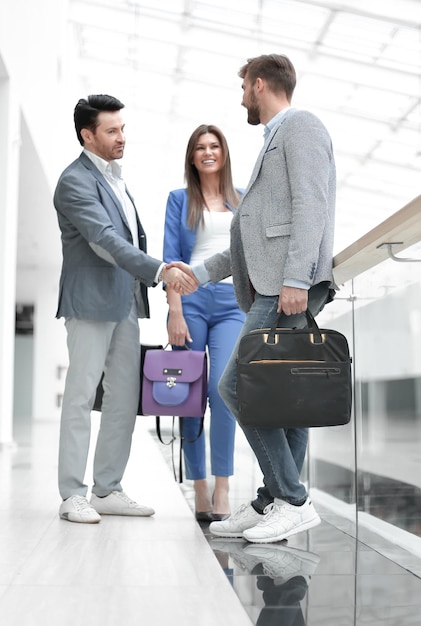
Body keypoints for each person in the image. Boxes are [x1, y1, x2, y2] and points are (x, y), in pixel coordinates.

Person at [171, 53, 336, 543]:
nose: (241, 95)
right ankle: (271, 501)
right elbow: (250, 240)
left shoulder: (300, 125)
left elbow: (312, 204)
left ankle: (294, 500)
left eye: (244, 87)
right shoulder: (271, 141)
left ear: (260, 84)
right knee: (283, 399)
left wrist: (298, 280)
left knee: (236, 387)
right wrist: (198, 275)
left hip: (286, 288)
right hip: (274, 283)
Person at [54, 94, 197, 524]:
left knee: (122, 399)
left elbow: (130, 237)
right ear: (88, 135)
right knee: (81, 397)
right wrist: (161, 271)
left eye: (123, 129)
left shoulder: (116, 177)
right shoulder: (74, 181)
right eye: (112, 131)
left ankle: (108, 489)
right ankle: (71, 494)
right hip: (89, 303)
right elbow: (104, 240)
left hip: (125, 304)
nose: (121, 138)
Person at [163, 124, 246, 521]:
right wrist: (174, 310)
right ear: (192, 157)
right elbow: (170, 258)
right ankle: (198, 486)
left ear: (224, 153)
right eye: (200, 147)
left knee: (222, 389)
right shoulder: (179, 200)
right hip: (191, 301)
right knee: (190, 394)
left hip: (232, 302)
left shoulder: (243, 199)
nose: (208, 152)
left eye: (214, 146)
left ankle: (224, 485)